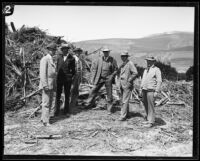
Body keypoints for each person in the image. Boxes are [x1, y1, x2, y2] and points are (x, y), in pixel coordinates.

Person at [85, 47, 118, 114]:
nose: (106, 53)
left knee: (109, 93)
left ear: (109, 52)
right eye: (104, 52)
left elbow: (116, 70)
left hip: (108, 78)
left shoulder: (112, 60)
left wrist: (112, 76)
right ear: (103, 52)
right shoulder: (99, 60)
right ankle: (88, 104)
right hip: (100, 78)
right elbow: (94, 69)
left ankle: (109, 109)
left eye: (107, 52)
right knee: (93, 90)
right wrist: (93, 78)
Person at [140, 55, 162, 127]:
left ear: (153, 62)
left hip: (151, 90)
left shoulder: (156, 69)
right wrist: (141, 89)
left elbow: (159, 81)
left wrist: (156, 91)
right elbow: (143, 80)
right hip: (144, 90)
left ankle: (151, 122)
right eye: (147, 61)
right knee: (146, 105)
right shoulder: (145, 70)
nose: (148, 62)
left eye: (150, 61)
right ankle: (148, 119)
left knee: (151, 106)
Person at [54, 44, 76, 117]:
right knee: (58, 95)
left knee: (67, 95)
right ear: (62, 50)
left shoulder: (72, 58)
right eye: (63, 49)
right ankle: (56, 111)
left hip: (67, 80)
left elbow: (73, 71)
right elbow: (57, 68)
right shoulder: (59, 58)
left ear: (68, 50)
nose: (65, 50)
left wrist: (70, 76)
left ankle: (66, 111)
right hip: (59, 79)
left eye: (66, 49)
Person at [39, 43, 57, 126]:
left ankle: (44, 118)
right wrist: (45, 85)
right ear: (48, 50)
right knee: (46, 103)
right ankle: (45, 121)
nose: (53, 51)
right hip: (47, 85)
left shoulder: (51, 59)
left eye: (54, 50)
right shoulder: (45, 59)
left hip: (51, 84)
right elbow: (42, 74)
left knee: (49, 102)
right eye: (51, 50)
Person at [118, 51, 138, 121]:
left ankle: (123, 116)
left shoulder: (130, 63)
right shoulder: (123, 64)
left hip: (127, 85)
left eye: (124, 56)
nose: (123, 57)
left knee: (124, 101)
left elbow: (135, 73)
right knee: (123, 100)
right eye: (122, 56)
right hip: (122, 84)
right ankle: (127, 114)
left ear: (127, 57)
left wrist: (129, 80)